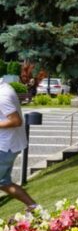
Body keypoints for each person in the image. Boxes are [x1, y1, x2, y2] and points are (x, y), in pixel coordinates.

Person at [0, 78, 37, 210]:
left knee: (3, 182)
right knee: (3, 182)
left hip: (4, 147)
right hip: (8, 144)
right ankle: (33, 206)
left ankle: (33, 206)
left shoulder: (2, 96)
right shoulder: (4, 88)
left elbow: (16, 121)